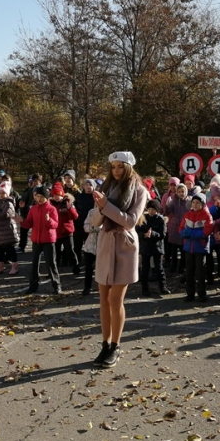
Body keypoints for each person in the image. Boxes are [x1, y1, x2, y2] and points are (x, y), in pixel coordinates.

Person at [89, 151, 148, 369]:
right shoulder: (105, 188)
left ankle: (116, 345)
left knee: (116, 300)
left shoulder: (140, 191)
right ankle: (105, 344)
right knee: (103, 299)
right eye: (113, 167)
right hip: (106, 244)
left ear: (128, 168)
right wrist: (100, 207)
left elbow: (130, 221)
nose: (116, 171)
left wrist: (106, 206)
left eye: (120, 167)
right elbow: (95, 221)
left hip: (124, 246)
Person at [20, 185, 60, 294]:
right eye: (37, 196)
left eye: (41, 196)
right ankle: (33, 286)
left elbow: (55, 225)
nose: (39, 199)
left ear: (47, 197)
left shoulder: (52, 209)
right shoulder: (33, 209)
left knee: (51, 263)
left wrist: (48, 220)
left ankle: (56, 285)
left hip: (48, 239)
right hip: (36, 240)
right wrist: (21, 220)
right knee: (34, 264)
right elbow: (29, 223)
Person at [180, 194, 214, 303]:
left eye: (197, 203)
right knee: (189, 272)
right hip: (188, 247)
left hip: (200, 248)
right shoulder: (187, 215)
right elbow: (180, 228)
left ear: (202, 204)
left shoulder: (207, 216)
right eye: (193, 202)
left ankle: (201, 294)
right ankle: (190, 294)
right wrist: (184, 233)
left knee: (200, 272)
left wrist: (191, 233)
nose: (195, 205)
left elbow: (207, 231)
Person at [138, 199, 168, 296]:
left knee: (159, 268)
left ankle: (163, 286)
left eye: (153, 209)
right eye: (149, 209)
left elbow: (162, 234)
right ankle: (144, 288)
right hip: (145, 247)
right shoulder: (143, 218)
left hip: (157, 247)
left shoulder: (160, 220)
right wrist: (144, 235)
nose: (151, 211)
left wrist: (153, 234)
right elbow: (138, 232)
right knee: (145, 269)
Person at [0, 181, 20, 275]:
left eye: (3, 193)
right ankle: (0, 266)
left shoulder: (9, 203)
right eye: (0, 193)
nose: (1, 195)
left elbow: (4, 214)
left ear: (7, 193)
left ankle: (14, 266)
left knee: (10, 249)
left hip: (8, 230)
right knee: (0, 250)